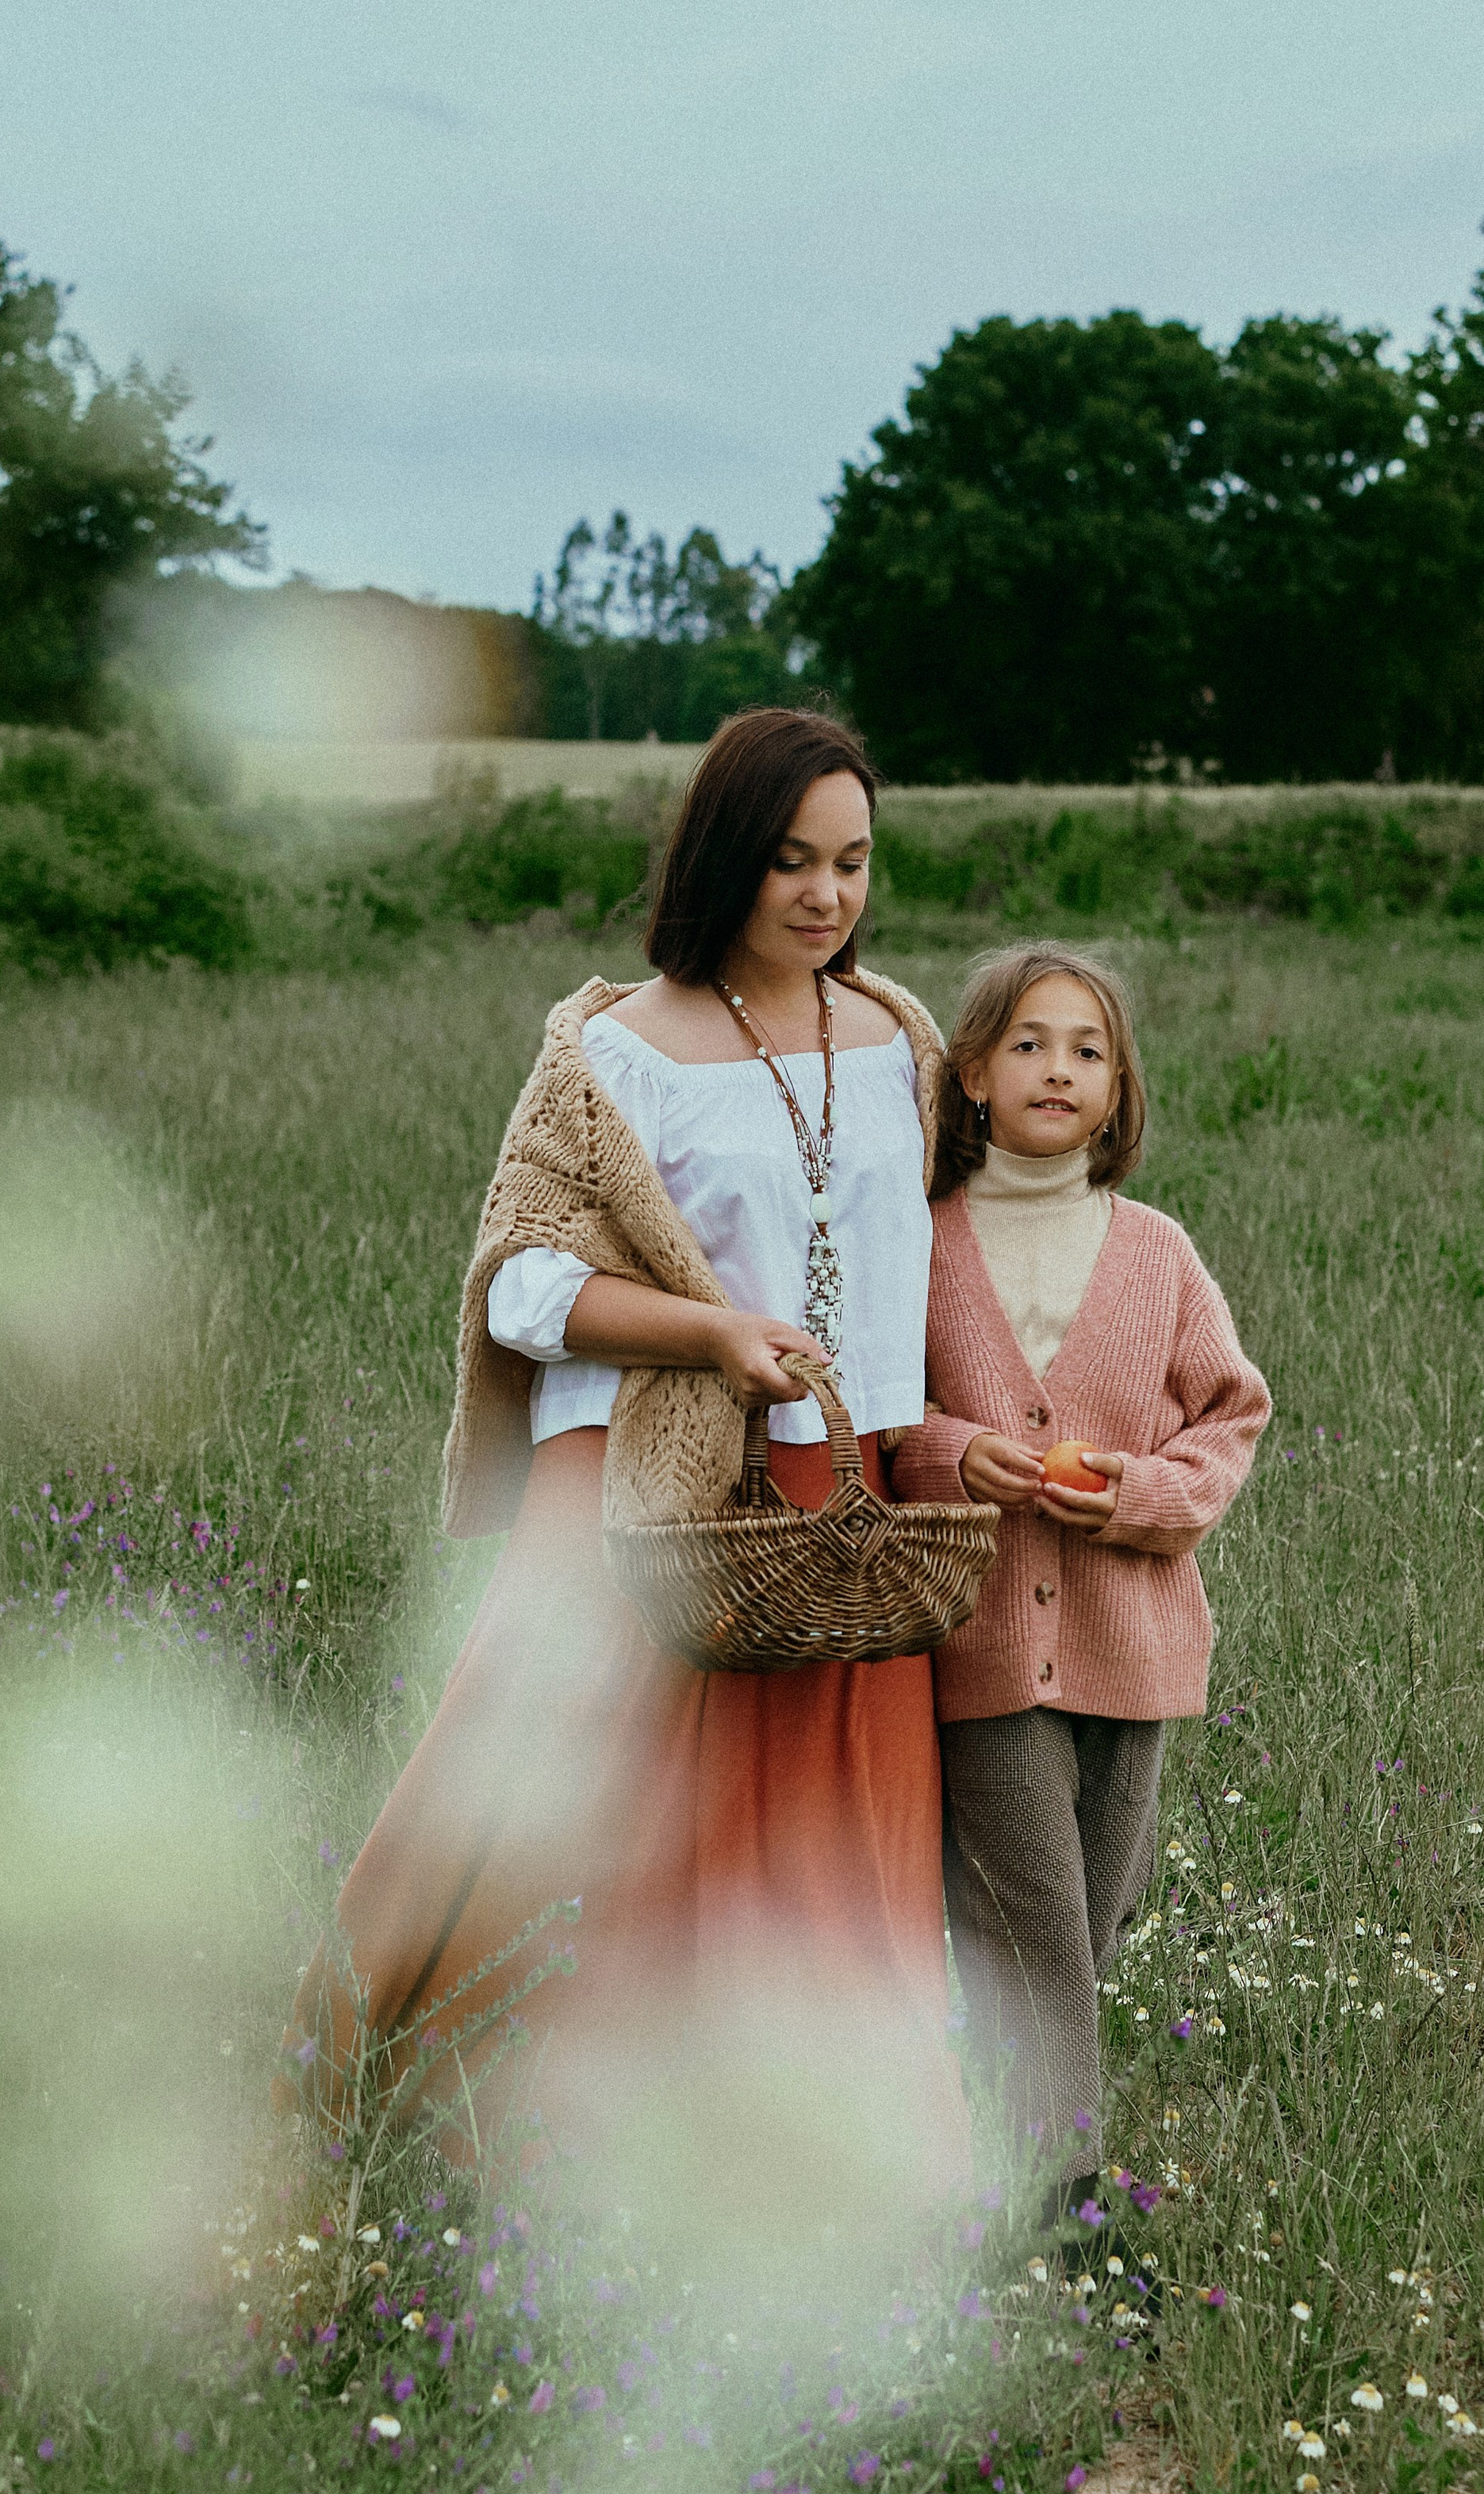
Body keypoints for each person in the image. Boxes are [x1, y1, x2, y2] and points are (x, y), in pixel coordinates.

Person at [280, 709, 972, 2227]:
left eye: (854, 863)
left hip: (842, 1494)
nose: (826, 896)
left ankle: (818, 2151)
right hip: (639, 1489)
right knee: (542, 1795)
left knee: (820, 1821)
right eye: (791, 860)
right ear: (725, 856)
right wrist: (708, 1333)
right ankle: (433, 2117)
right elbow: (516, 1285)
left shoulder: (902, 1041)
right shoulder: (611, 1047)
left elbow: (963, 1240)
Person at [885, 941, 1269, 2269]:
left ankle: (975, 2161)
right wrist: (950, 1454)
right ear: (975, 1073)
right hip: (978, 1646)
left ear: (1118, 1091)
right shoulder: (920, 1244)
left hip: (1134, 1644)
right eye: (1031, 1043)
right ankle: (1072, 2229)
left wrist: (1150, 1498)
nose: (1061, 1067)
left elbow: (1232, 1414)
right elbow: (875, 1419)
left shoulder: (1156, 1255)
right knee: (1039, 1935)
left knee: (1082, 1934)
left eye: (1089, 1049)